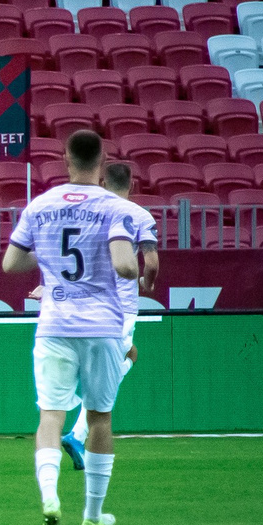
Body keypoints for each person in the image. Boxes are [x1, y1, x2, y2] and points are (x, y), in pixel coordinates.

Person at [2, 129, 153, 525]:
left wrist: (48, 259)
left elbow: (11, 263)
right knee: (100, 417)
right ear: (102, 163)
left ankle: (50, 496)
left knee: (50, 416)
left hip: (54, 324)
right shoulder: (114, 206)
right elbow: (125, 266)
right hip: (102, 325)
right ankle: (93, 514)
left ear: (64, 160)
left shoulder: (42, 204)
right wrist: (134, 269)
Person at [57, 159, 158, 469]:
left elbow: (72, 258)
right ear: (132, 186)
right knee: (107, 378)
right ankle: (76, 435)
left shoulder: (90, 213)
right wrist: (146, 284)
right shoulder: (139, 215)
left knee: (130, 356)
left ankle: (76, 433)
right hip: (120, 310)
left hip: (89, 304)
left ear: (103, 184)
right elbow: (151, 264)